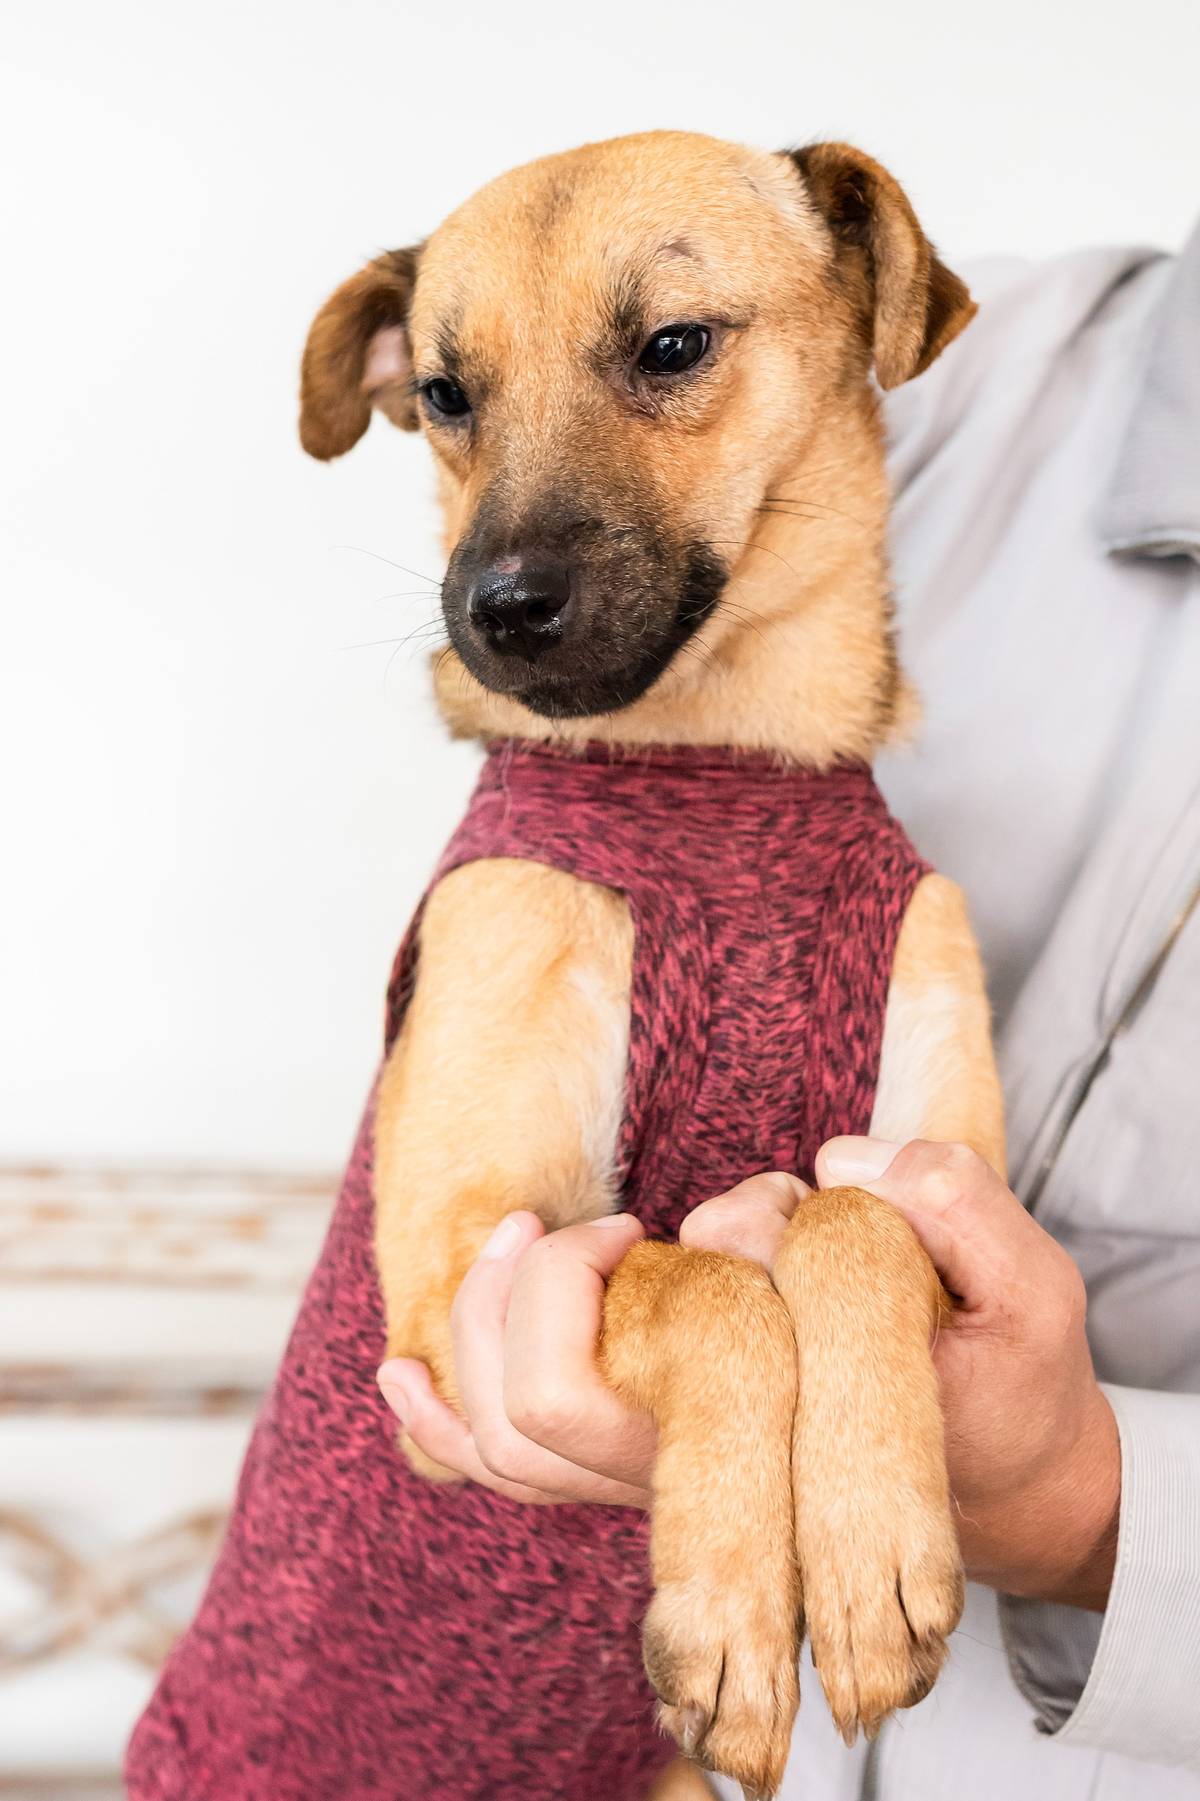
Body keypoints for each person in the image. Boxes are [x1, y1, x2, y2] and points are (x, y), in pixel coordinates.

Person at [378, 218, 1200, 1796]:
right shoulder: (946, 373)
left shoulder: (880, 875)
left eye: (670, 352)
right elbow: (448, 1331)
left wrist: (1090, 1505)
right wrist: (721, 1337)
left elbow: (885, 1217)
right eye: (452, 396)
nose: (510, 572)